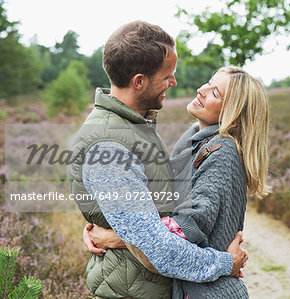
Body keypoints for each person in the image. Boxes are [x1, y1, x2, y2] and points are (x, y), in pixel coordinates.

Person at [67, 21, 247, 299]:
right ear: (139, 81)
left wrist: (113, 231)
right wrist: (225, 264)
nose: (174, 83)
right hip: (134, 291)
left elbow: (149, 219)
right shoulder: (110, 145)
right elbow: (155, 246)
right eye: (167, 76)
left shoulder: (135, 127)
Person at [85, 66, 271, 298]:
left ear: (232, 112)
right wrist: (111, 222)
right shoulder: (194, 141)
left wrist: (114, 237)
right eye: (209, 82)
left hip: (210, 292)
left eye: (215, 93)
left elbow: (189, 225)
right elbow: (159, 198)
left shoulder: (223, 151)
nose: (201, 90)